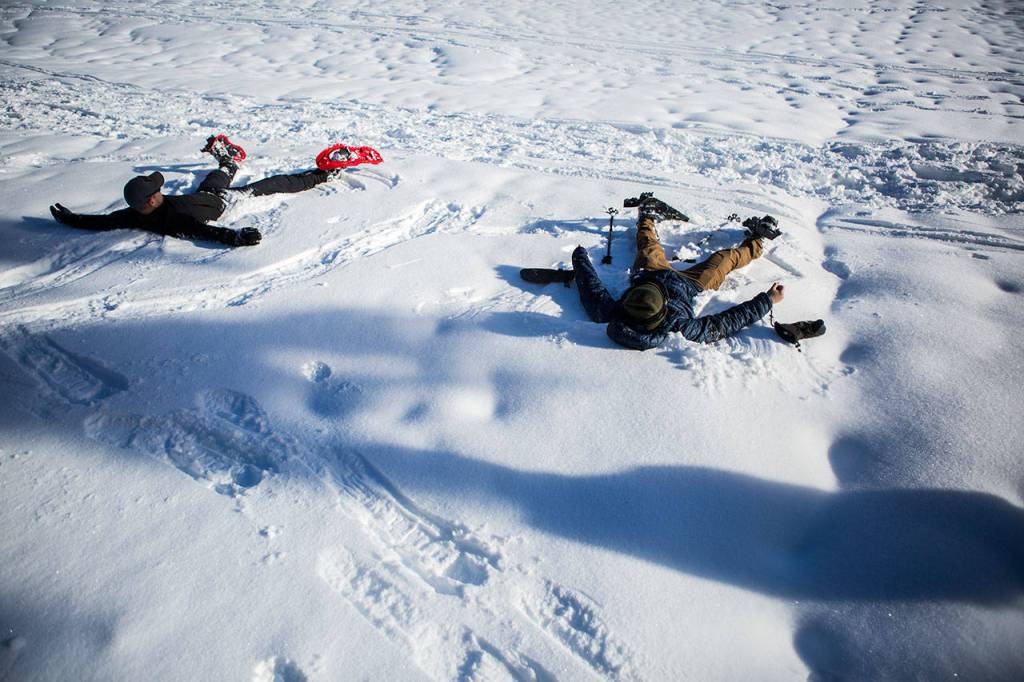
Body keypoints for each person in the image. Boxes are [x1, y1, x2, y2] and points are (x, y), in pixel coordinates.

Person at [571, 195, 785, 350]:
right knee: (725, 259)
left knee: (648, 245)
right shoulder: (678, 326)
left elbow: (592, 289)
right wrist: (767, 300)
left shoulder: (613, 314)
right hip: (690, 285)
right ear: (662, 311)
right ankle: (756, 241)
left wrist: (579, 257)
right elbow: (725, 323)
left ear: (627, 303)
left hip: (650, 272)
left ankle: (647, 215)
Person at [48, 135, 340, 247]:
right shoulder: (174, 217)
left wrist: (73, 219)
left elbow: (105, 221)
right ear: (151, 199)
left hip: (204, 194)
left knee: (217, 176)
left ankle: (229, 160)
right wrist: (236, 237)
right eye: (156, 189)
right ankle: (325, 174)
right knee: (275, 184)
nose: (160, 189)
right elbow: (204, 232)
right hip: (224, 201)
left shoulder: (134, 215)